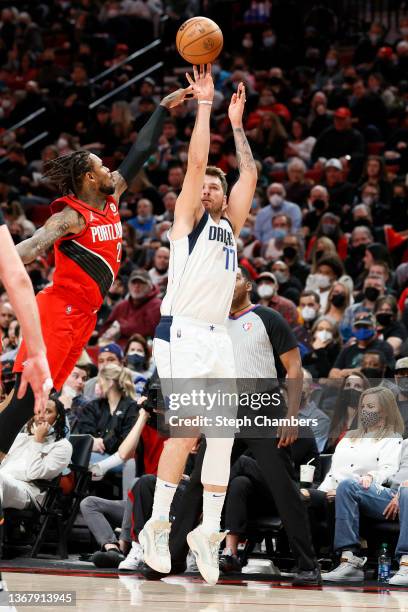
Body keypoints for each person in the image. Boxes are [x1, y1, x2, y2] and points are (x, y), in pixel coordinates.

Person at [0, 85, 192, 457]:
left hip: (85, 316)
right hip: (58, 309)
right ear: (88, 178)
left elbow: (140, 152)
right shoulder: (69, 217)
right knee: (28, 395)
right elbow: (31, 248)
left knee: (40, 394)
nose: (109, 169)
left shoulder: (112, 196)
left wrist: (163, 110)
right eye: (101, 166)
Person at [139, 68, 257, 586]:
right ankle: (157, 526)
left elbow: (249, 174)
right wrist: (206, 107)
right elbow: (192, 163)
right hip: (181, 330)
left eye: (215, 184)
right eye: (204, 184)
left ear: (224, 197)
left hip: (217, 335)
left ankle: (207, 532)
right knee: (185, 434)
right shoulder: (186, 221)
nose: (208, 187)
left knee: (222, 438)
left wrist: (236, 125)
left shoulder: (231, 226)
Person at [302, 387, 404, 558]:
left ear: (385, 412)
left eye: (370, 407)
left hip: (361, 491)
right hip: (331, 491)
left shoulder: (392, 438)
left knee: (316, 495)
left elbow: (388, 470)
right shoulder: (349, 436)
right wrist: (322, 492)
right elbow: (333, 473)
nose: (364, 411)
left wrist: (370, 477)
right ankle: (306, 558)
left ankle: (342, 558)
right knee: (303, 499)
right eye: (363, 406)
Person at [330, 312, 394, 378]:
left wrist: (347, 372)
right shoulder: (348, 349)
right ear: (353, 329)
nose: (362, 330)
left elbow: (385, 371)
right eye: (358, 327)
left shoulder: (384, 347)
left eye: (366, 326)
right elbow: (332, 373)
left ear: (374, 328)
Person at [324, 373, 369, 453]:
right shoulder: (335, 420)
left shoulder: (369, 422)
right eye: (348, 385)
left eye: (357, 386)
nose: (351, 389)